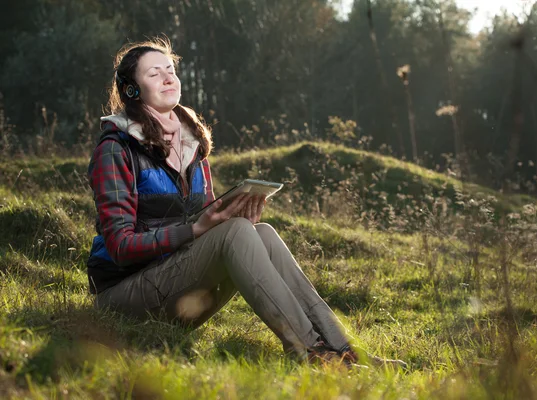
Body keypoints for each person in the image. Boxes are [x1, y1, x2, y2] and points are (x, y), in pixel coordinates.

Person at [87, 37, 404, 368]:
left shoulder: (191, 141)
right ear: (132, 90)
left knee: (260, 232)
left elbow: (205, 224)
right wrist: (197, 229)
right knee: (236, 232)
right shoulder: (115, 148)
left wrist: (228, 218)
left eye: (171, 70)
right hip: (124, 297)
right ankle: (310, 353)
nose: (169, 78)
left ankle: (344, 349)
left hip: (177, 289)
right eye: (154, 73)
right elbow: (121, 246)